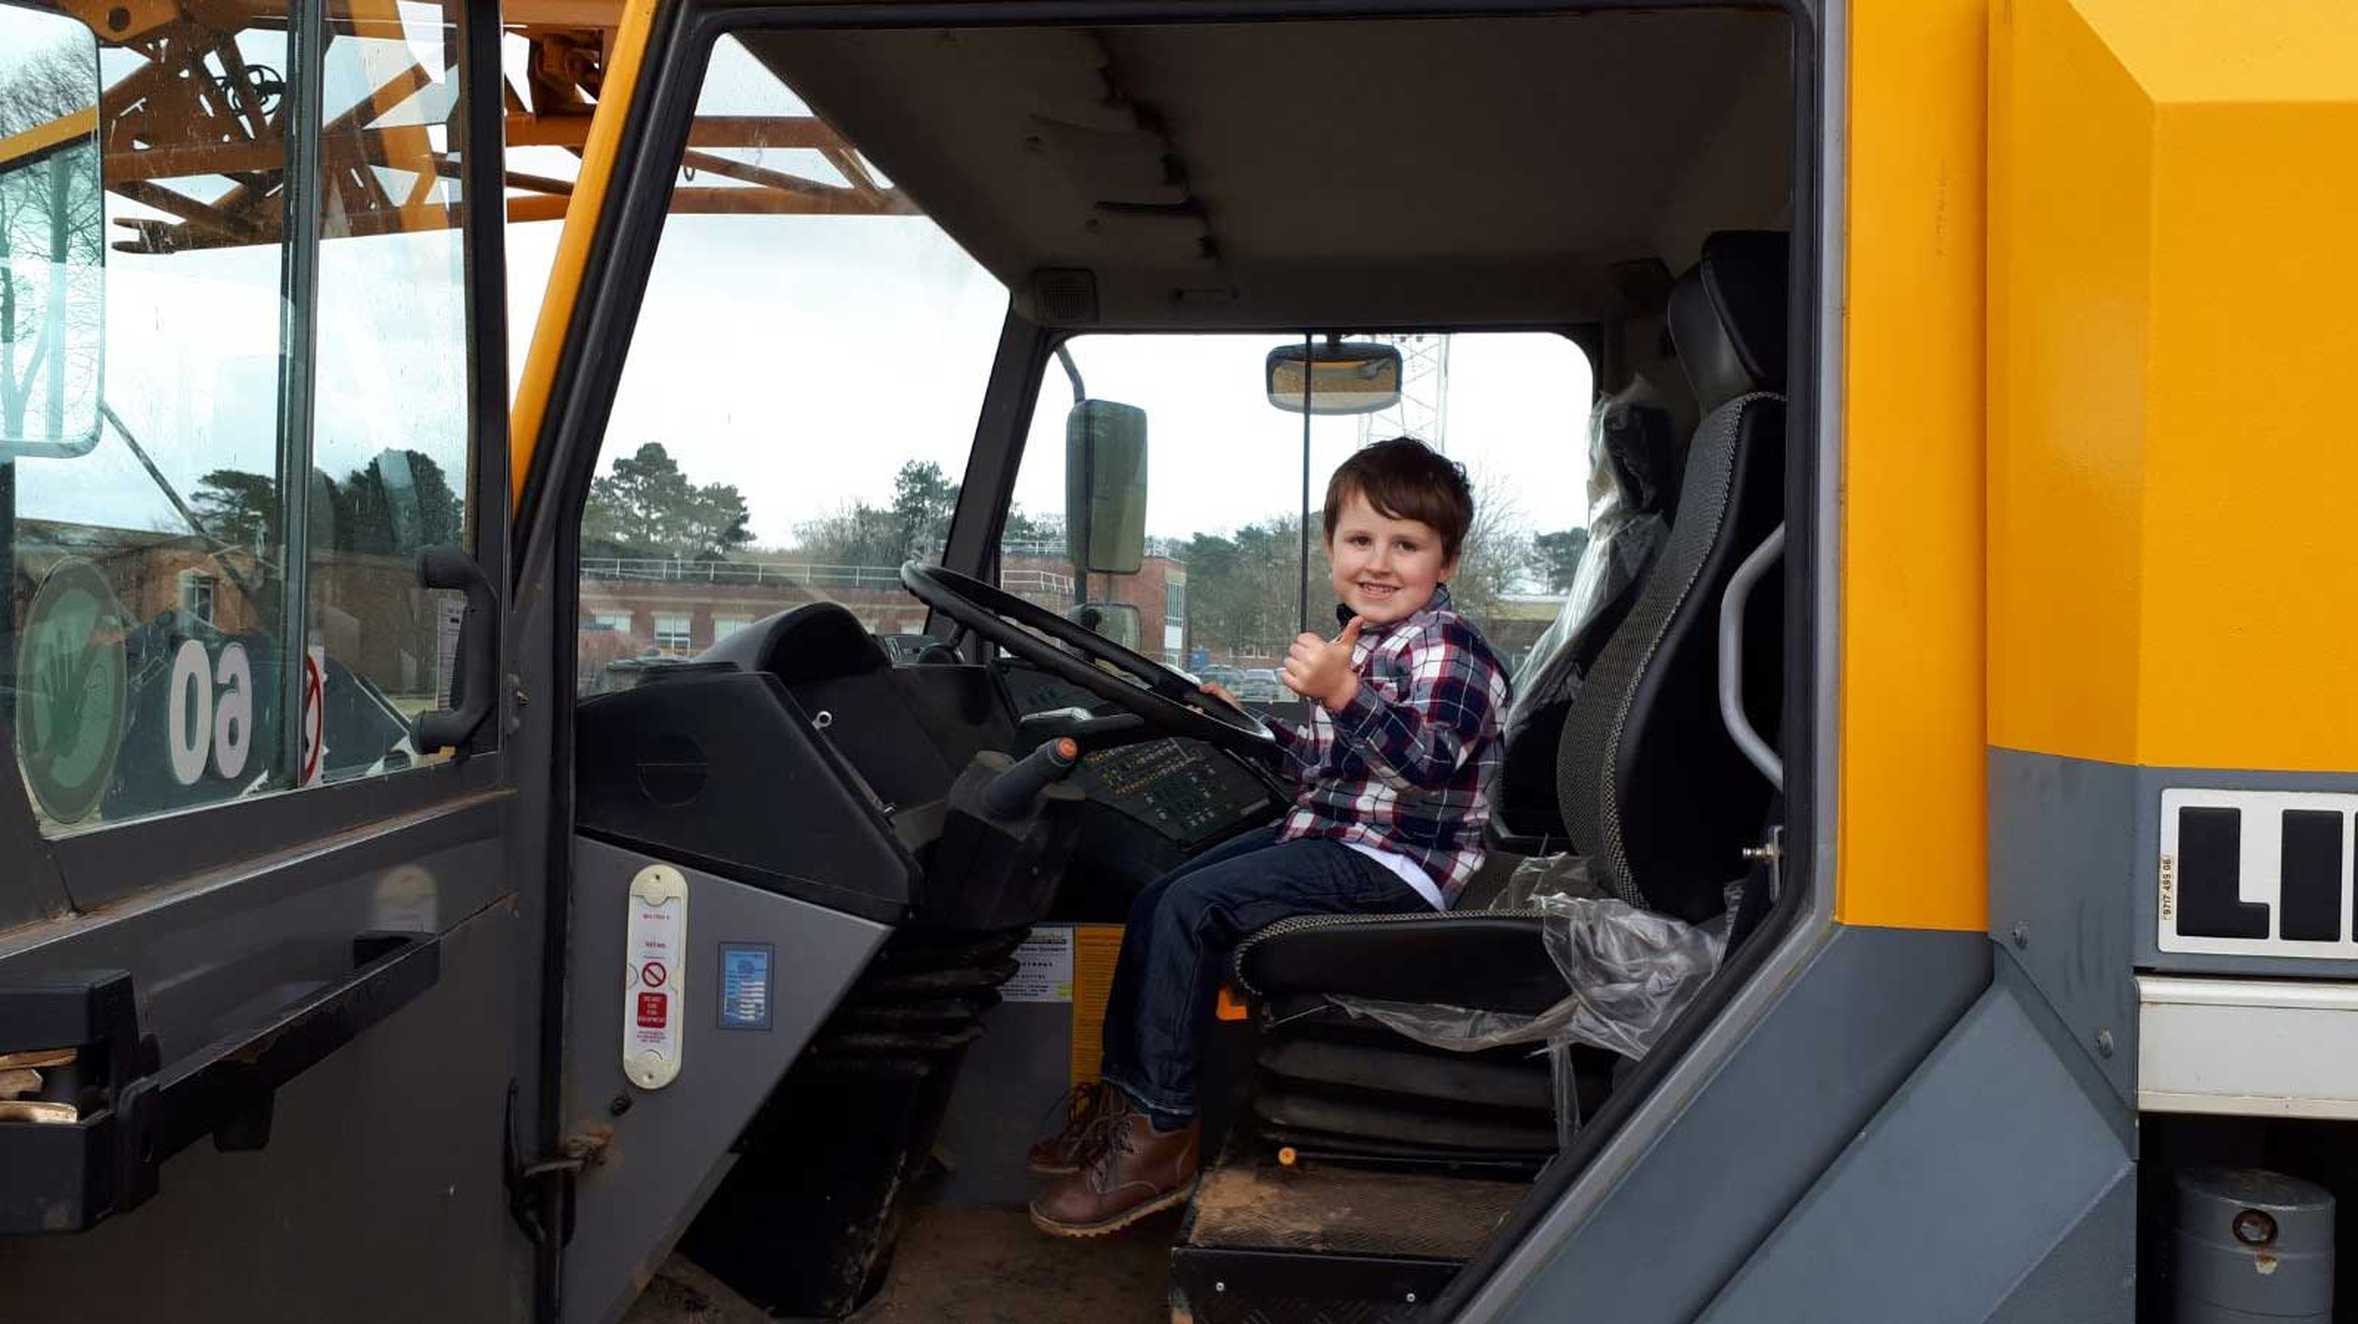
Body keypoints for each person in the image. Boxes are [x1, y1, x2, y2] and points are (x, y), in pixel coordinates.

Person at [1028, 436, 1515, 1237]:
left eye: (1408, 544)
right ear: (1331, 549)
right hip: (1338, 832)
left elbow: (1423, 765)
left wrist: (1343, 691)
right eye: (1361, 540)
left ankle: (1161, 1135)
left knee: (1193, 907)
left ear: (1446, 562)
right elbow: (1329, 766)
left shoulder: (1451, 651)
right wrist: (1241, 729)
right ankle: (1122, 1106)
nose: (1380, 562)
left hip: (1401, 864)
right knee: (1158, 897)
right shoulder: (1368, 643)